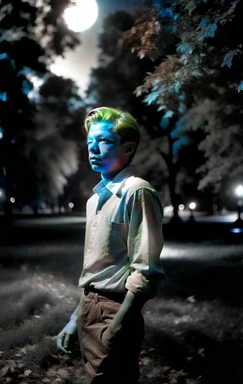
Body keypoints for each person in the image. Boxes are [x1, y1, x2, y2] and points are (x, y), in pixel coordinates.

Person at [56, 106, 165, 384]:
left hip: (115, 311)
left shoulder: (136, 192)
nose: (93, 148)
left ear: (128, 148)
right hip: (88, 307)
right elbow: (96, 271)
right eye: (90, 142)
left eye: (103, 141)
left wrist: (118, 325)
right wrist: (74, 319)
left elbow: (146, 270)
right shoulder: (94, 200)